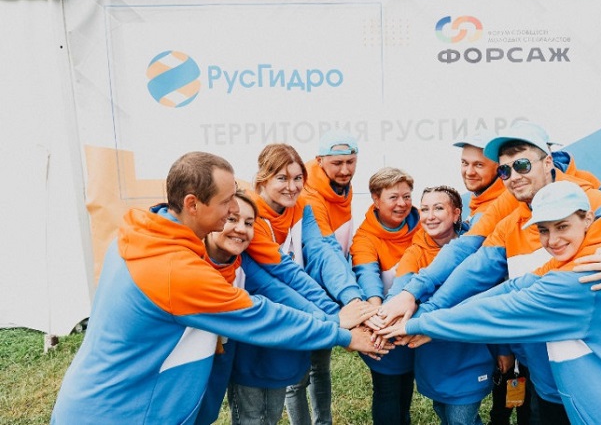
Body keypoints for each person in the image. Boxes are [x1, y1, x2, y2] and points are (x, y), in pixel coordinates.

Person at [51, 152, 386, 424]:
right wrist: (341, 333)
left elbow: (280, 282)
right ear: (193, 204)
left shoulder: (142, 234)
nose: (234, 208)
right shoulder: (177, 271)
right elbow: (262, 316)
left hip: (98, 401)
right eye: (226, 202)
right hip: (125, 412)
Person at [380, 120, 601, 423]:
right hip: (542, 375)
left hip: (598, 379)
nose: (514, 177)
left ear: (547, 162)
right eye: (504, 170)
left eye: (522, 165)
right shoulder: (511, 213)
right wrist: (415, 300)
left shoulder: (587, 201)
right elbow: (472, 264)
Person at [196, 190, 378, 425]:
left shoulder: (242, 263)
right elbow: (268, 314)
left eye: (249, 223)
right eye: (232, 219)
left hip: (232, 360)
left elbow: (283, 292)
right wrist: (339, 326)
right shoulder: (193, 265)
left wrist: (341, 315)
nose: (241, 228)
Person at [230, 143, 378, 425]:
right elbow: (282, 275)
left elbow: (323, 251)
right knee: (261, 402)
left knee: (290, 386)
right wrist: (334, 317)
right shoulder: (250, 216)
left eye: (298, 178)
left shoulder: (302, 208)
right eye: (282, 178)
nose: (292, 186)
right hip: (262, 316)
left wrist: (353, 300)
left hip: (300, 307)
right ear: (263, 178)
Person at [389, 185, 494, 425]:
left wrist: (505, 350)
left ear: (456, 214)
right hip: (433, 358)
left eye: (438, 208)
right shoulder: (415, 252)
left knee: (460, 420)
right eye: (424, 209)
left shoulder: (479, 248)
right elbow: (398, 292)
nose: (430, 216)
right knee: (444, 413)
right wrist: (382, 318)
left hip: (470, 356)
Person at [453, 130, 532, 425]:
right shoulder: (481, 202)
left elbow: (500, 281)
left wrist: (504, 347)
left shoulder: (501, 207)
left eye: (478, 165)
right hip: (501, 326)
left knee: (522, 400)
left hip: (513, 330)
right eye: (464, 163)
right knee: (509, 398)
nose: (469, 171)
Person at [291, 130, 367, 425]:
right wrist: (352, 297)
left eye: (351, 161)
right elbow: (324, 249)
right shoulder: (309, 195)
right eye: (337, 163)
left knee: (320, 367)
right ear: (320, 160)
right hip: (302, 293)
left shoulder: (339, 187)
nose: (345, 170)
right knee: (297, 375)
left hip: (328, 290)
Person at [350, 166, 421, 425]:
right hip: (383, 325)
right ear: (376, 200)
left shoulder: (424, 226)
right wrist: (378, 317)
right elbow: (367, 274)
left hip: (414, 321)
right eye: (393, 197)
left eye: (407, 196)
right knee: (388, 389)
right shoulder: (365, 237)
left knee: (406, 386)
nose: (402, 204)